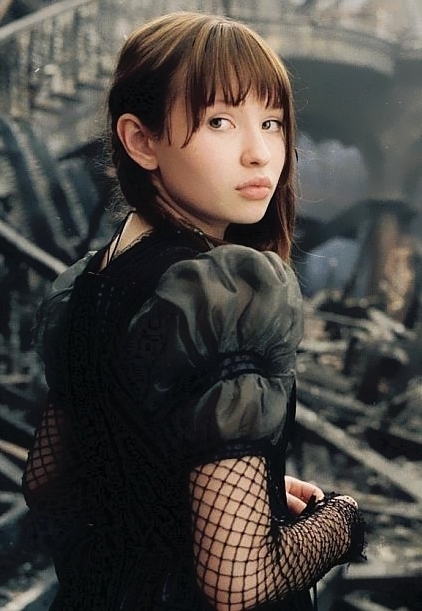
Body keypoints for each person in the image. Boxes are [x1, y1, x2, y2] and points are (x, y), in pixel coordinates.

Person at [22, 11, 364, 610]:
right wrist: (343, 523)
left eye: (272, 122)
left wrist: (226, 487)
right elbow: (236, 583)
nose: (260, 154)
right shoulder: (226, 290)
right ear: (141, 141)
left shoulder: (86, 284)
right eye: (220, 122)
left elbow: (47, 479)